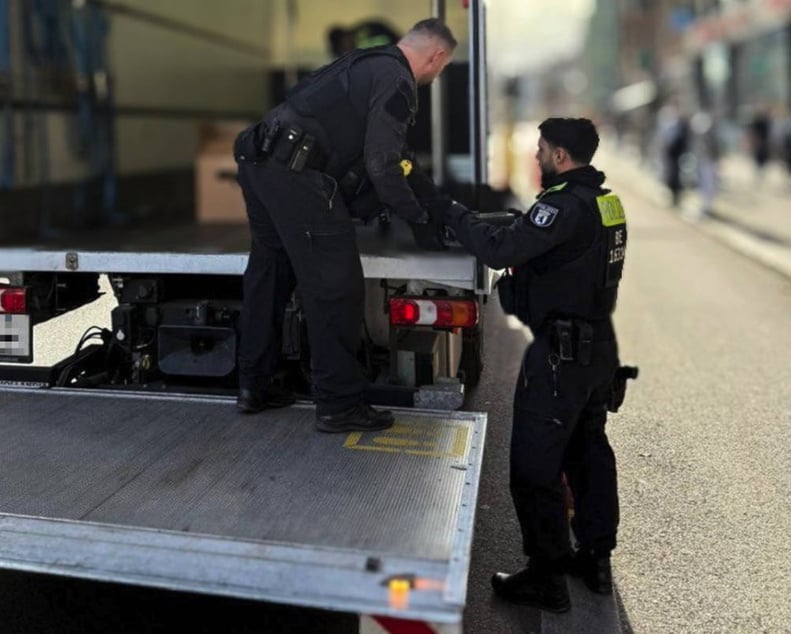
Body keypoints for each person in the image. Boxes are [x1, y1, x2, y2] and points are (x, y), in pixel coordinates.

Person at [436, 118, 627, 612]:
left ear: (561, 156)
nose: (537, 156)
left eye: (542, 149)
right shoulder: (605, 202)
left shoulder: (561, 206)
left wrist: (455, 215)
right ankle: (596, 560)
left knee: (534, 467)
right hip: (597, 349)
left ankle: (546, 577)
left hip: (561, 355)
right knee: (588, 452)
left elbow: (500, 249)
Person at [232, 19, 456, 433]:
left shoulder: (364, 62)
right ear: (436, 56)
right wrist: (417, 216)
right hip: (298, 175)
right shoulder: (397, 79)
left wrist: (429, 198)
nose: (436, 76)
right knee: (335, 288)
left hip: (260, 161)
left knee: (270, 273)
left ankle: (254, 385)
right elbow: (382, 164)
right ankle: (339, 404)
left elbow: (397, 156)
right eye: (441, 69)